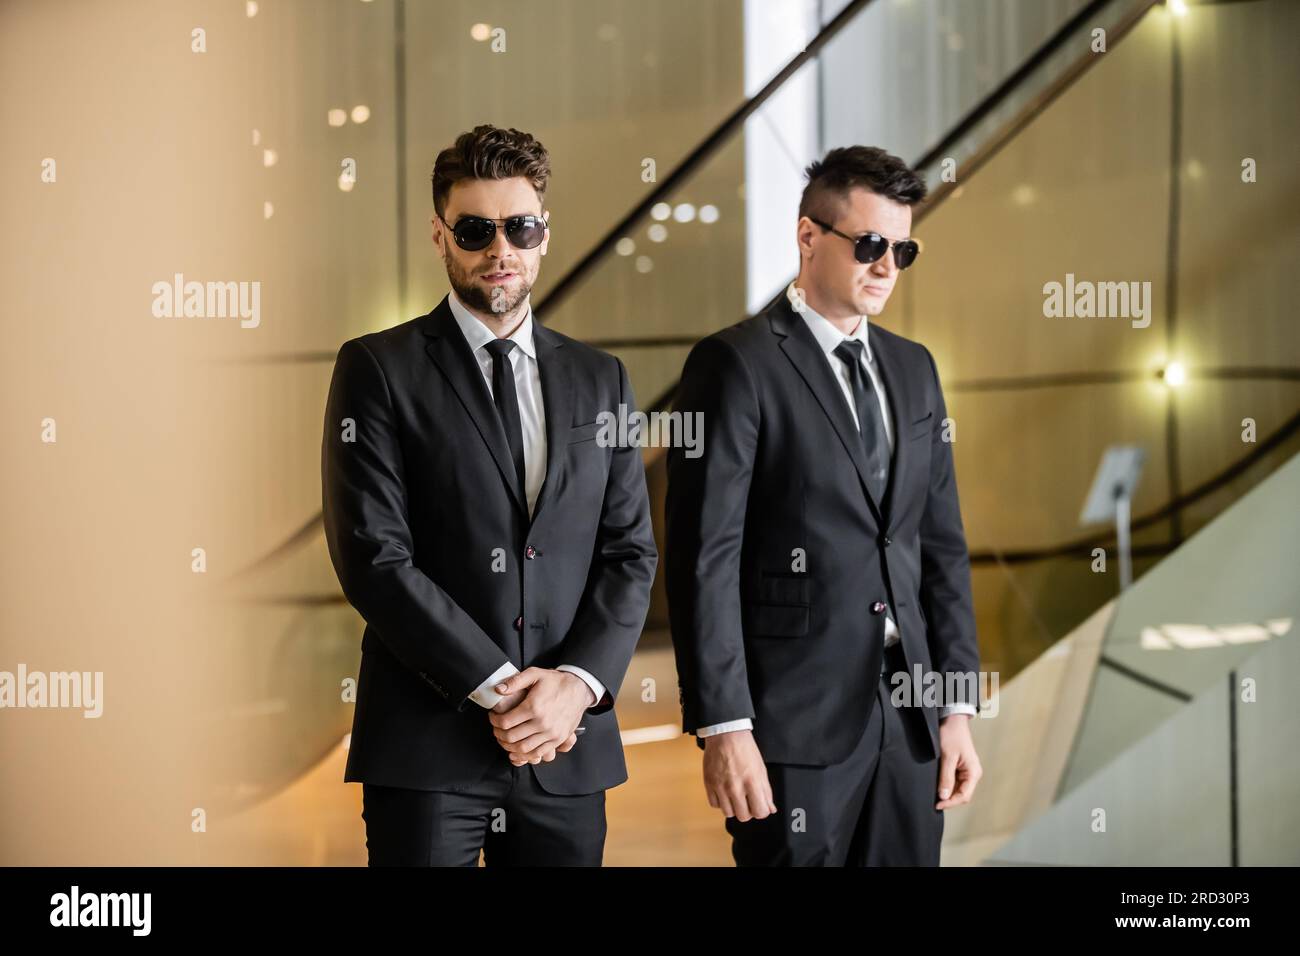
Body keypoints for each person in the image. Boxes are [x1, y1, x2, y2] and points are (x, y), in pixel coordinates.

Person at [322, 124, 657, 866]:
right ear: (440, 237)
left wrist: (573, 687)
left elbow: (630, 552)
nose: (499, 249)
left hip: (567, 750)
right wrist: (506, 692)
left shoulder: (602, 379)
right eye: (476, 230)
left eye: (519, 227)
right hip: (426, 752)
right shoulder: (377, 370)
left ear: (544, 236)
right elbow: (374, 557)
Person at [666, 145, 982, 866]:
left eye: (903, 248)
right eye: (869, 244)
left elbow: (942, 549)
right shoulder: (735, 365)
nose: (886, 266)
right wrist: (724, 725)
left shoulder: (915, 368)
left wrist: (956, 711)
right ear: (808, 236)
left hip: (911, 725)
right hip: (790, 727)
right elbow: (703, 559)